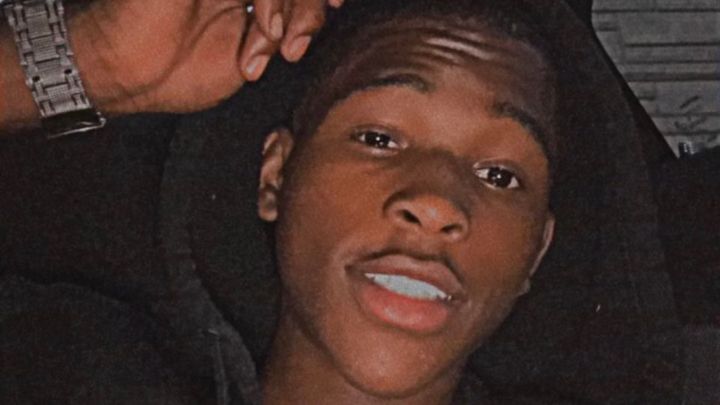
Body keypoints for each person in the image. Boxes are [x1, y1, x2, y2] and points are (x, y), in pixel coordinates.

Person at [0, 0, 683, 403]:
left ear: (537, 250)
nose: (435, 203)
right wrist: (95, 64)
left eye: (500, 174)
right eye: (379, 138)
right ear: (276, 177)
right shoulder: (61, 371)